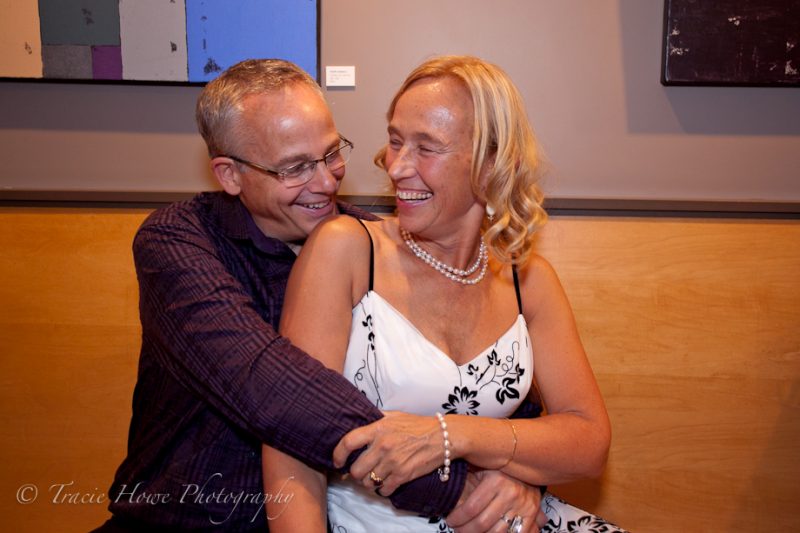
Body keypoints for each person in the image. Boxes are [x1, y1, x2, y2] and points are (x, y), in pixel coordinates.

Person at [92, 58, 545, 532]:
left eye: (332, 154)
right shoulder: (177, 242)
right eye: (296, 168)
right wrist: (453, 487)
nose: (327, 182)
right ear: (229, 175)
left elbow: (503, 401)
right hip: (185, 518)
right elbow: (272, 390)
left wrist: (516, 476)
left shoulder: (370, 242)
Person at [262, 55, 628, 533]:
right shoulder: (346, 250)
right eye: (395, 141)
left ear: (492, 162)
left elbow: (589, 443)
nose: (396, 167)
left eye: (426, 148)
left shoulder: (527, 281)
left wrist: (456, 437)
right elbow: (291, 442)